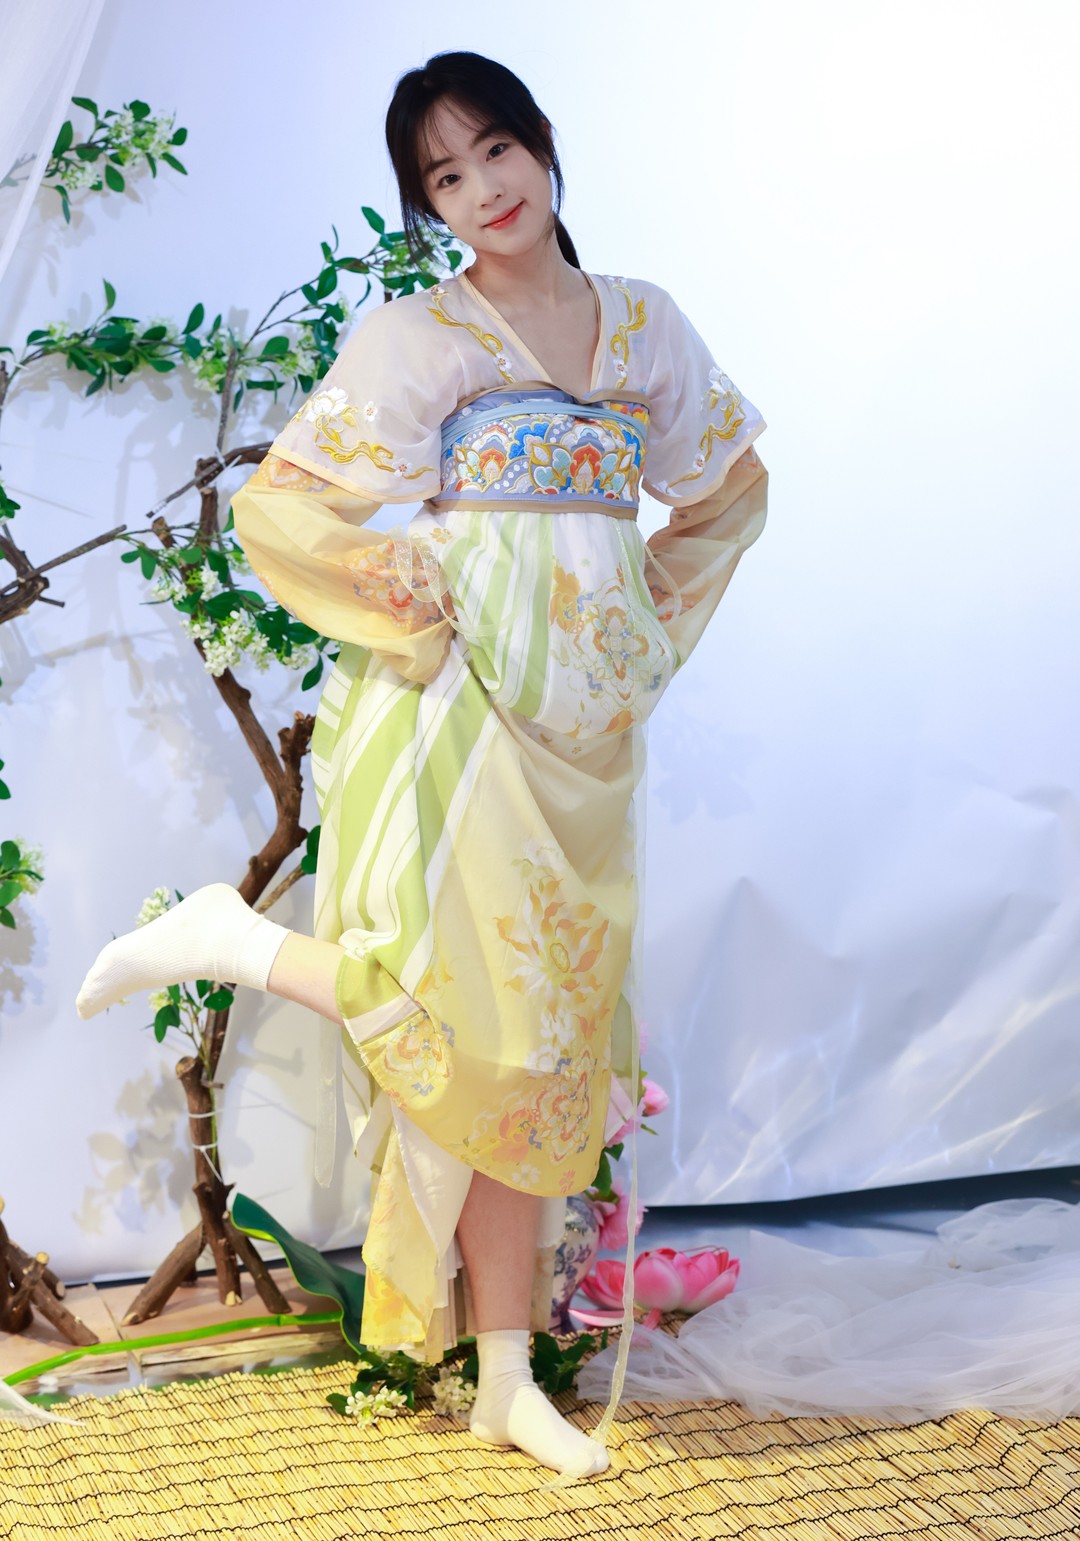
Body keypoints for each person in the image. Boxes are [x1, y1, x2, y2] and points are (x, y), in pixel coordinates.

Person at [73, 51, 769, 1482]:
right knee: (459, 1003)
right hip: (458, 704)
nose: (482, 190)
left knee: (533, 1043)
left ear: (543, 146)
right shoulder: (423, 335)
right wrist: (435, 583)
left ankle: (504, 1375)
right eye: (444, 177)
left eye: (495, 150)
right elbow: (286, 509)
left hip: (586, 729)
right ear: (427, 206)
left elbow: (731, 485)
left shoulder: (644, 326)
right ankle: (232, 941)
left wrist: (634, 625)